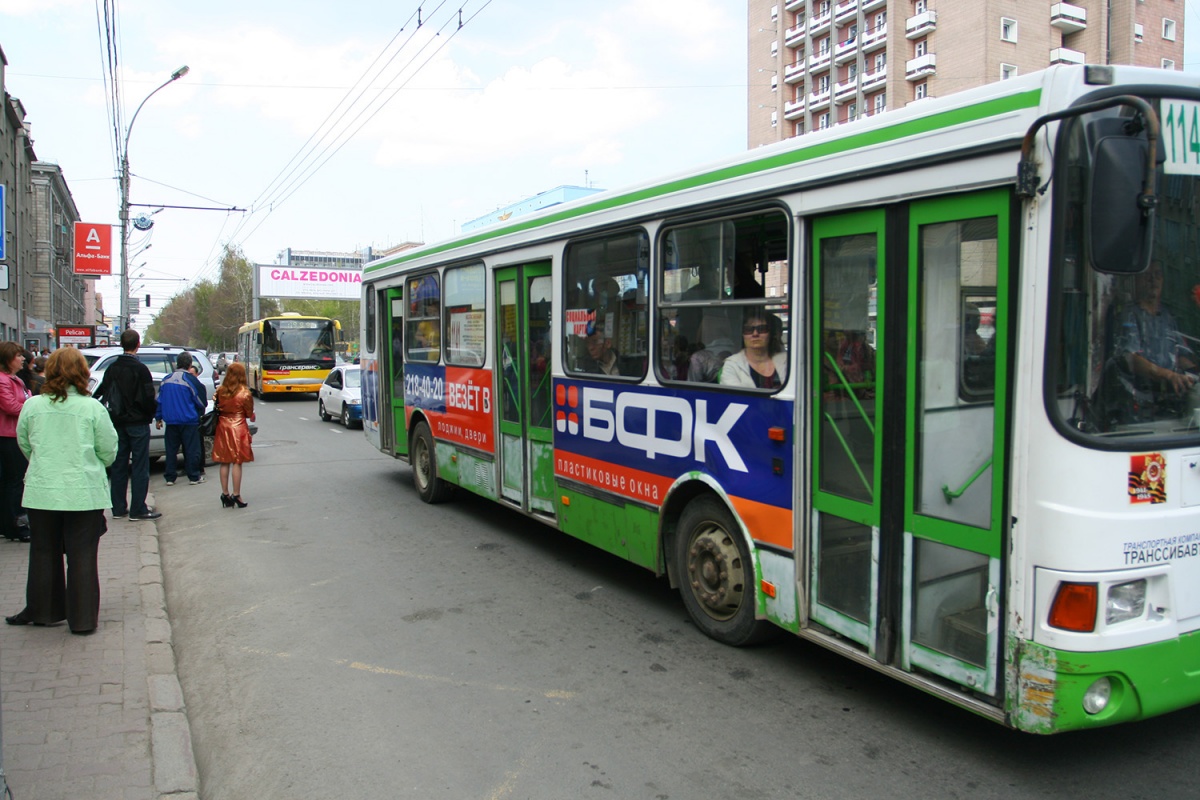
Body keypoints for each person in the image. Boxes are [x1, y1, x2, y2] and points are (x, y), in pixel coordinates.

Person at [5, 347, 118, 634]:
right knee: (82, 556)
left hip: (43, 489)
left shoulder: (33, 406)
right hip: (82, 491)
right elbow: (108, 449)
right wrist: (94, 464)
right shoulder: (92, 408)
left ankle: (44, 611)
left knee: (43, 552)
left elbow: (25, 443)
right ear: (82, 372)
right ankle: (81, 620)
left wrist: (44, 464)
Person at [94, 329, 160, 521]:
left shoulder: (112, 368)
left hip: (117, 421)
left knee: (119, 465)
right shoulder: (140, 369)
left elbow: (104, 393)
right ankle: (138, 508)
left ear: (122, 344)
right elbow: (148, 397)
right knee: (140, 465)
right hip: (138, 422)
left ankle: (118, 507)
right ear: (138, 344)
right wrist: (151, 413)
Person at [155, 352, 207, 487]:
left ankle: (170, 477)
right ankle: (194, 476)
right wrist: (200, 411)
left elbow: (160, 400)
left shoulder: (166, 379)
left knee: (171, 450)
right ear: (190, 364)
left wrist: (159, 417)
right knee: (191, 450)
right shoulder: (190, 380)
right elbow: (201, 400)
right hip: (189, 420)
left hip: (171, 420)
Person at [212, 361, 255, 508]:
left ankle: (225, 494)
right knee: (237, 461)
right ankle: (237, 494)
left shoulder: (220, 390)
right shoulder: (244, 393)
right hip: (238, 427)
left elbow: (216, 406)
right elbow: (249, 414)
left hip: (223, 425)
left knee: (224, 461)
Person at [0, 342, 31, 542]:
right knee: (15, 482)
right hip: (8, 436)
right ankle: (16, 525)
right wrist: (30, 406)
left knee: (13, 481)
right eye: (18, 356)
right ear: (8, 358)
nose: (22, 359)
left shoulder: (15, 380)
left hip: (15, 434)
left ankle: (10, 524)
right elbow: (11, 406)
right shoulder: (3, 381)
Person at [719, 312, 788, 389]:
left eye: (762, 329)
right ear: (742, 335)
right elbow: (735, 397)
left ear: (770, 333)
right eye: (748, 330)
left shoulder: (786, 360)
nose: (755, 334)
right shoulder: (732, 365)